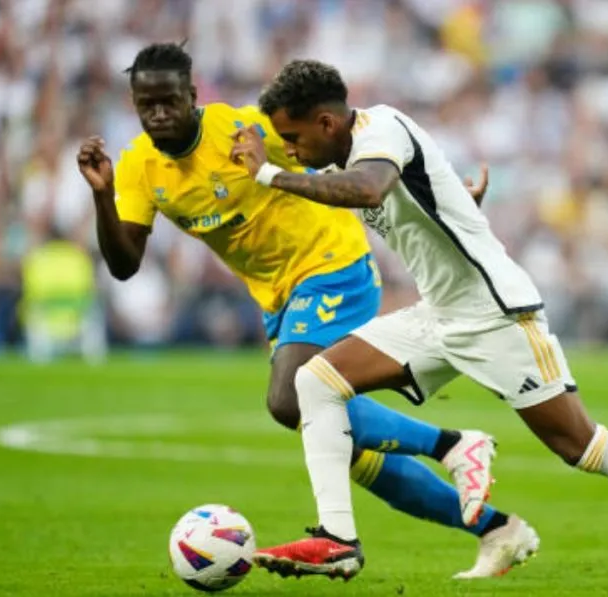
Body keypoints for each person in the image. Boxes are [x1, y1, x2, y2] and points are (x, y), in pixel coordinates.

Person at [232, 59, 608, 597]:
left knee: (580, 445)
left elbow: (370, 189)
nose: (290, 149)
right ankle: (338, 539)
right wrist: (459, 203)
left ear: (327, 123)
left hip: (496, 314)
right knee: (315, 380)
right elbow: (419, 193)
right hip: (439, 315)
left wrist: (268, 174)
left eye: (292, 137)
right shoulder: (344, 155)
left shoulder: (381, 130)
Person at [75, 42, 539, 579]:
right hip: (279, 301)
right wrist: (103, 197)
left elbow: (341, 146)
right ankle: (497, 529)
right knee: (353, 454)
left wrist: (440, 193)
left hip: (333, 265)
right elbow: (125, 263)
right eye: (145, 104)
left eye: (169, 101)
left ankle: (453, 445)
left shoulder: (243, 130)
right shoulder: (138, 168)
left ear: (193, 96)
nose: (158, 113)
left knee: (290, 396)